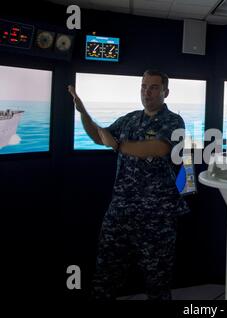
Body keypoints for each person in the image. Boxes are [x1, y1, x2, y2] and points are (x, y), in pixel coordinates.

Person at [68, 70, 189, 300]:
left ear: (166, 92)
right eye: (144, 86)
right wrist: (83, 113)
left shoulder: (174, 121)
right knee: (105, 274)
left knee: (157, 281)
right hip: (121, 209)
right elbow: (98, 136)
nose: (147, 92)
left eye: (154, 87)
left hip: (157, 214)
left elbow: (159, 148)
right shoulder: (130, 119)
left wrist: (118, 146)